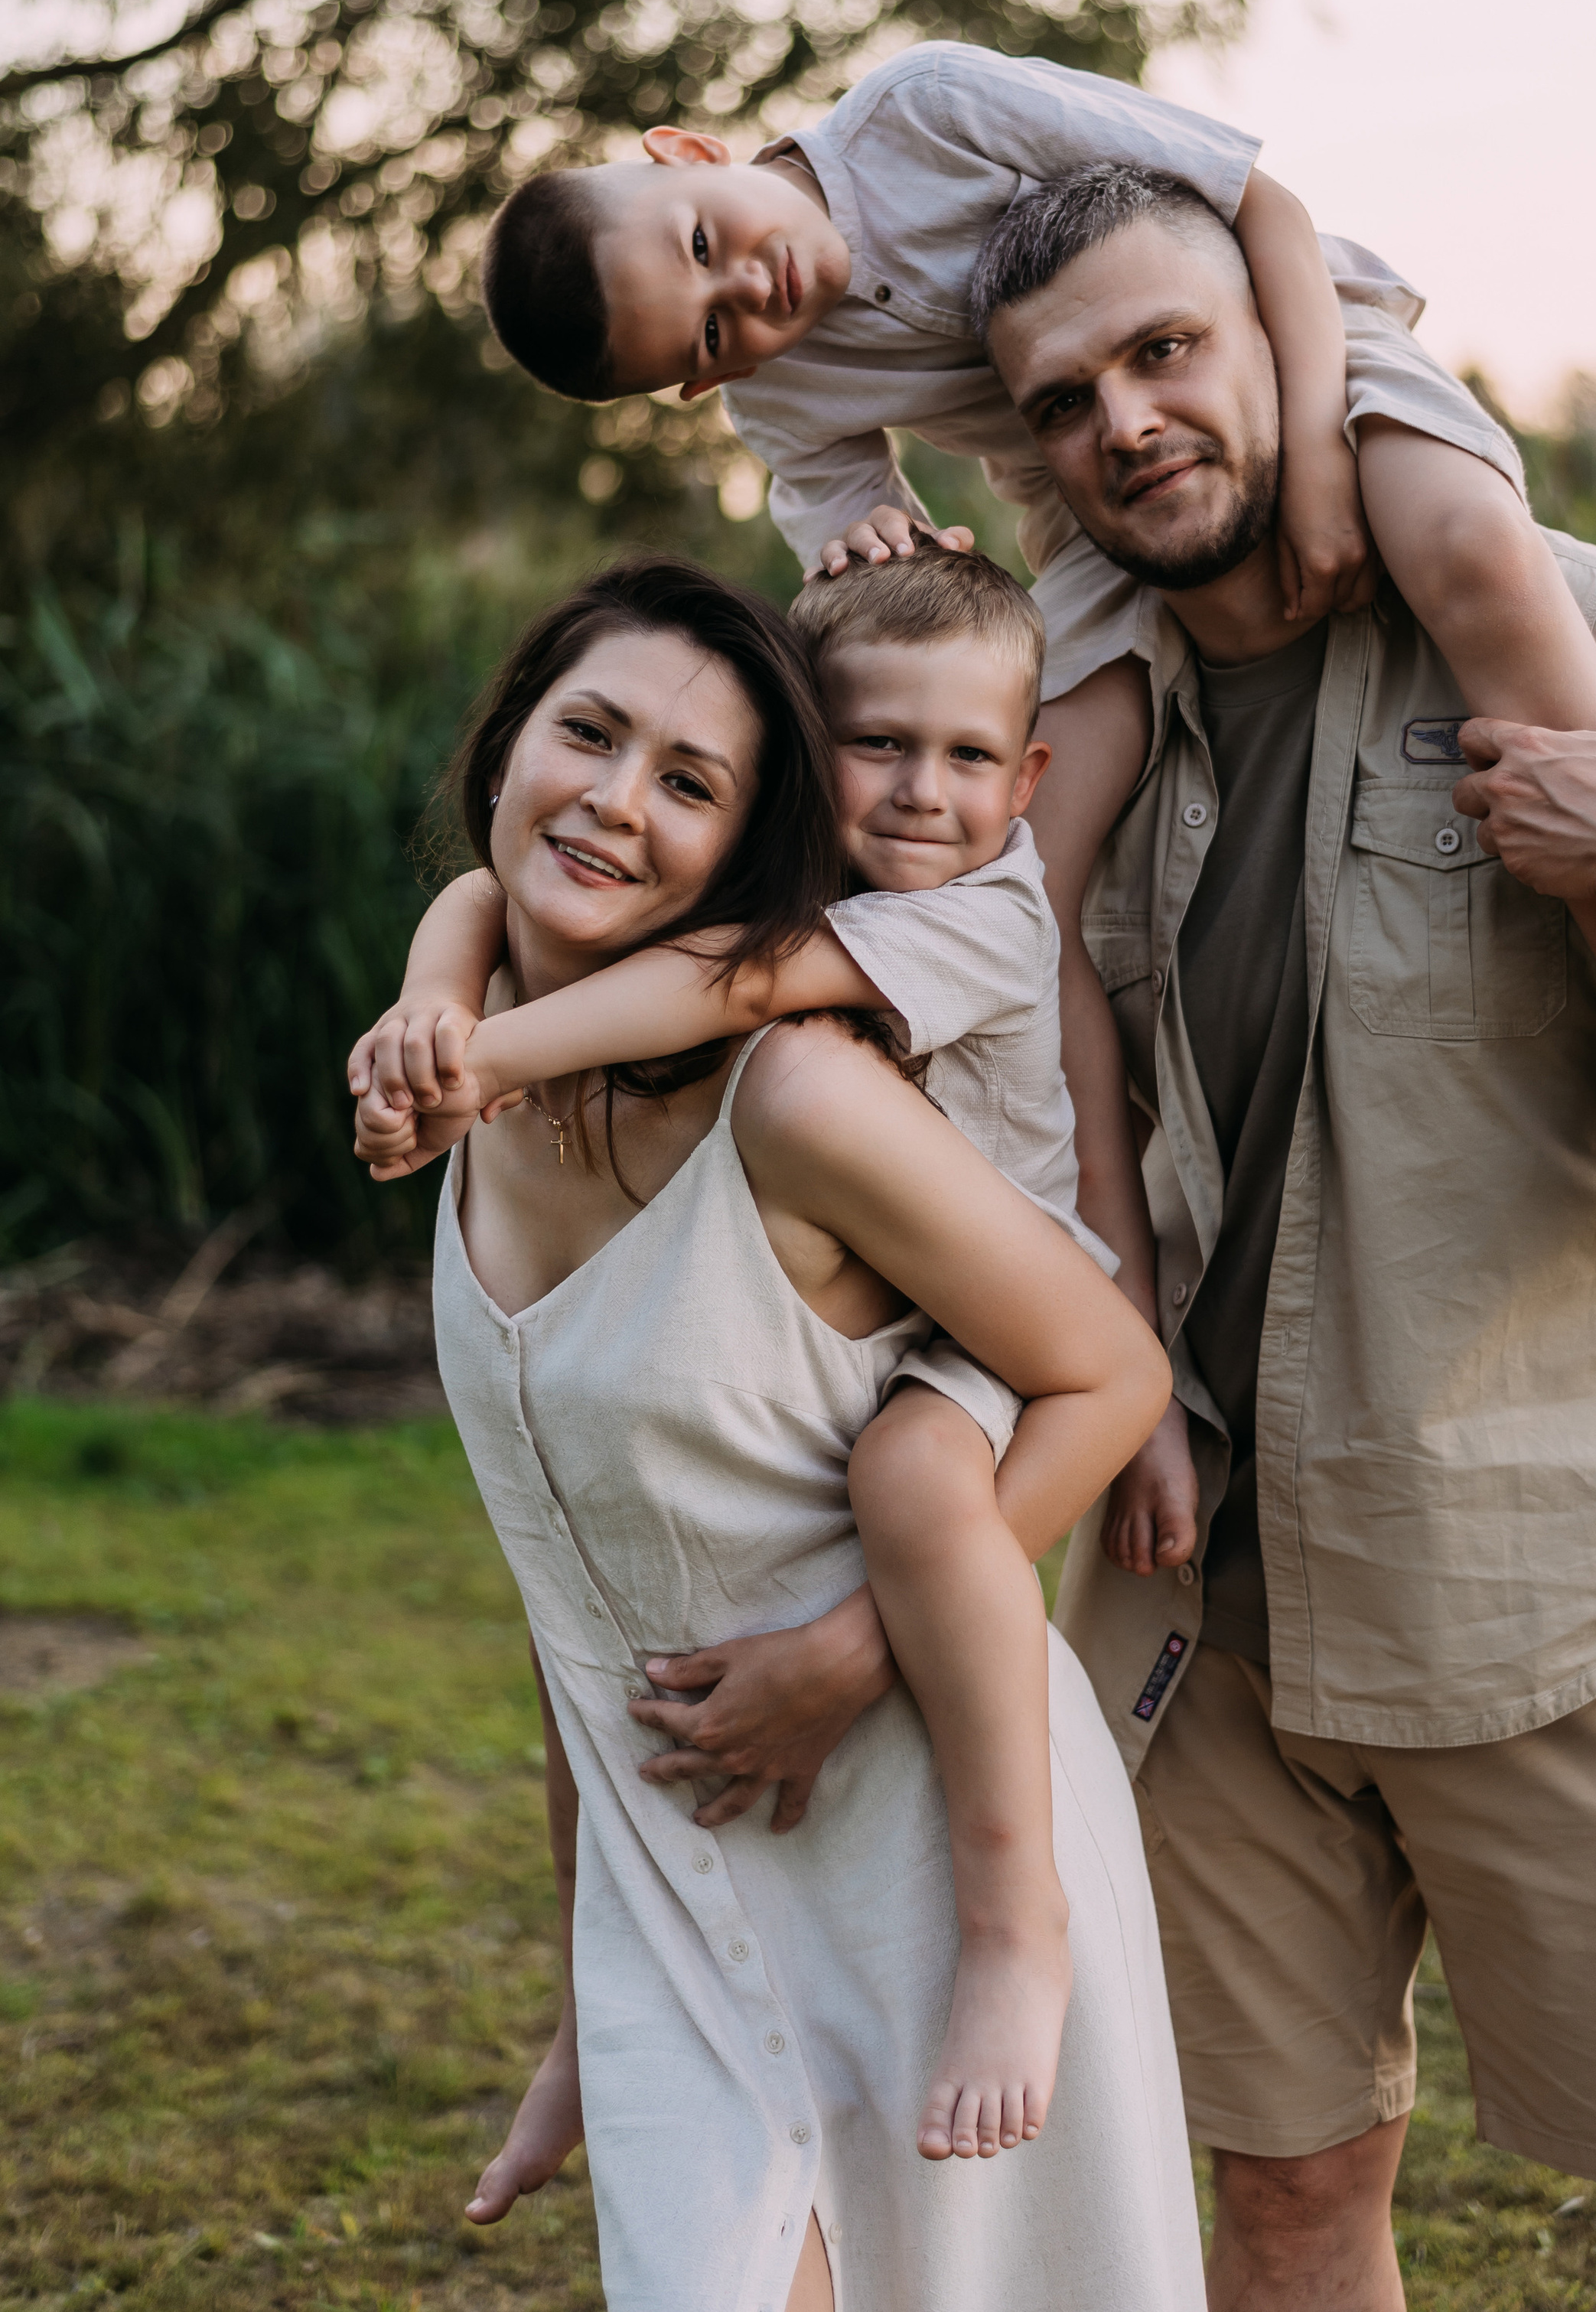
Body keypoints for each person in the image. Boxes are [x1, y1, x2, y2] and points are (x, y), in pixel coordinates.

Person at [941, 158, 1596, 2312]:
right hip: (1193, 1614)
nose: (1121, 419)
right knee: (1287, 2208)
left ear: (1286, 344)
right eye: (1059, 398)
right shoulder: (1062, 738)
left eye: (1164, 349)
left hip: (1551, 1591)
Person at [475, 40, 1596, 1292]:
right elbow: (872, 570)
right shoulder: (784, 396)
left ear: (688, 153)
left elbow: (1265, 204)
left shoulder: (925, 113)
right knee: (1034, 864)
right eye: (705, 341)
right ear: (701, 391)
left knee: (1471, 548)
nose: (745, 299)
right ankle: (1102, 1296)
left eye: (704, 243)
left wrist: (1317, 453)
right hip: (1085, 497)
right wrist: (865, 538)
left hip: (1274, 343)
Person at [411, 552, 1203, 2310]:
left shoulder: (803, 1096)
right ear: (505, 754)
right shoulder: (466, 1103)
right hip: (671, 1888)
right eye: (589, 733)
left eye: (689, 783)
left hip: (922, 1840)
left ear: (744, 845)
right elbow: (579, 1602)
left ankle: (1026, 1936)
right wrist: (577, 1997)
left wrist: (854, 1649)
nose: (619, 802)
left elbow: (1109, 1374)